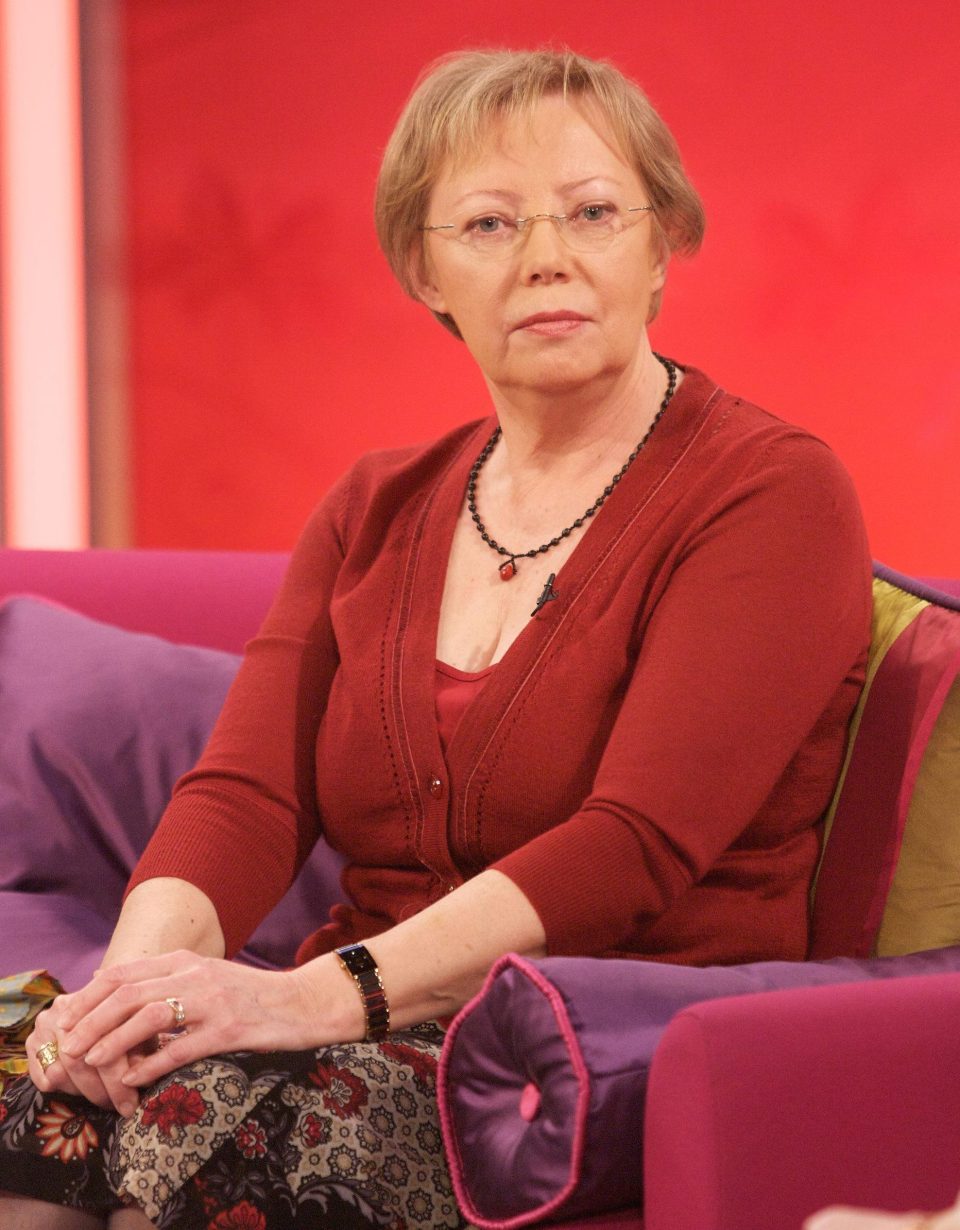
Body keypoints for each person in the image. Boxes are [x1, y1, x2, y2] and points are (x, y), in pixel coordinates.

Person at [0, 46, 872, 1229]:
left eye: (593, 212)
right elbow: (246, 796)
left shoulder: (770, 492)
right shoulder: (377, 506)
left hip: (600, 1049)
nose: (547, 256)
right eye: (491, 223)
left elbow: (632, 847)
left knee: (190, 1126)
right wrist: (127, 1000)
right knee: (43, 1092)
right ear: (425, 270)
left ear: (662, 246)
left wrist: (305, 1000)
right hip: (360, 1028)